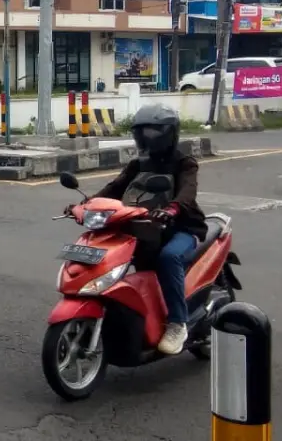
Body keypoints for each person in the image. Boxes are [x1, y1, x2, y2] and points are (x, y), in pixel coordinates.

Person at [84, 104, 204, 356]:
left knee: (168, 257)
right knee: (111, 252)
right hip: (145, 227)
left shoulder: (184, 163)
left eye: (152, 132)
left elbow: (187, 193)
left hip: (182, 227)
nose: (146, 138)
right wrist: (87, 205)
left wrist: (172, 209)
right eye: (142, 133)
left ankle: (177, 324)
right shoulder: (139, 164)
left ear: (168, 133)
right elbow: (115, 187)